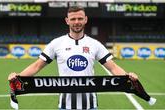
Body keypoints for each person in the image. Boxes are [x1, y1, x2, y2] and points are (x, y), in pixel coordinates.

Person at [8, 6, 138, 110]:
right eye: (73, 19)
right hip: (65, 105)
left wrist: (128, 77)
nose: (77, 22)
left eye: (80, 19)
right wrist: (18, 77)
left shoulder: (95, 44)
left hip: (90, 105)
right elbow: (37, 66)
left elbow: (113, 67)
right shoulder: (56, 43)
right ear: (67, 21)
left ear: (86, 19)